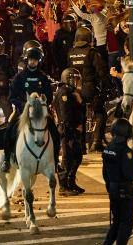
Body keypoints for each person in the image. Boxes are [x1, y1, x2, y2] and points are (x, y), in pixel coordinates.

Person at [4, 46, 59, 172]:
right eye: (30, 59)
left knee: (55, 133)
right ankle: (7, 160)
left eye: (35, 60)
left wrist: (42, 103)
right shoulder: (19, 77)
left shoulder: (43, 77)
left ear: (39, 61)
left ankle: (56, 161)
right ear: (26, 60)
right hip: (22, 111)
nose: (32, 62)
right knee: (9, 131)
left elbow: (49, 96)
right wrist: (25, 105)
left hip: (41, 111)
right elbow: (12, 96)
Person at [68, 26, 107, 152]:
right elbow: (101, 72)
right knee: (100, 112)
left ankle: (81, 144)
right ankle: (97, 141)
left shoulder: (71, 53)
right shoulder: (92, 52)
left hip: (74, 90)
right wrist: (107, 86)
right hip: (90, 89)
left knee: (80, 115)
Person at [102, 119, 133, 245]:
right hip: (125, 192)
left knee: (116, 222)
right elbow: (129, 174)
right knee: (126, 224)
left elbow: (105, 173)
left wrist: (110, 186)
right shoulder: (126, 152)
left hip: (112, 189)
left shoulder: (107, 149)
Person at [55, 67, 85, 195]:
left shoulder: (72, 92)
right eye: (74, 79)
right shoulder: (64, 93)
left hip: (73, 129)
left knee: (77, 156)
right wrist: (74, 126)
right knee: (67, 157)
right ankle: (63, 186)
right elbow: (66, 114)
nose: (76, 82)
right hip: (67, 129)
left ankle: (71, 182)